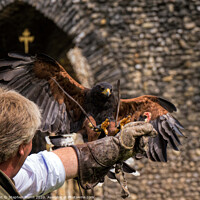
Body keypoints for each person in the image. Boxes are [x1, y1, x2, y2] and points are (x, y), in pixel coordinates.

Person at [0, 87, 157, 199]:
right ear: (22, 148)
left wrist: (115, 147)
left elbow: (45, 169)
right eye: (30, 139)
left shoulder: (13, 178)